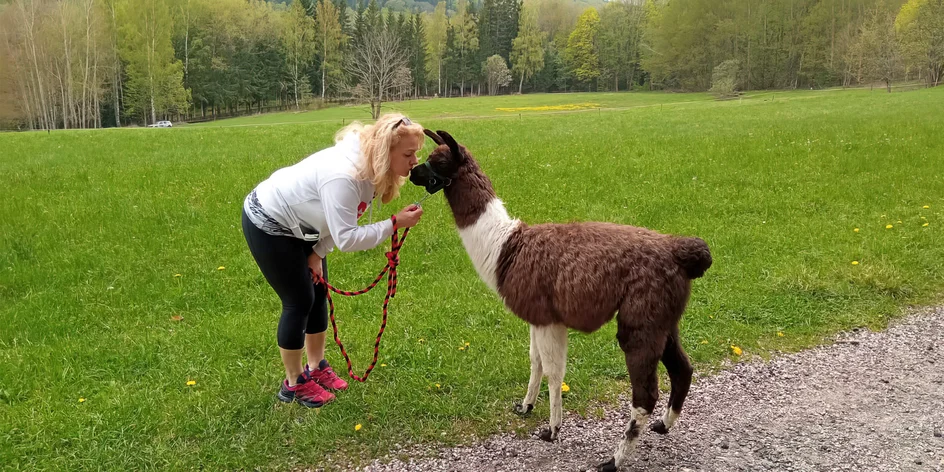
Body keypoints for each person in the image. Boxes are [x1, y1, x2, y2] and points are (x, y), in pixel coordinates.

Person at [241, 113, 425, 408]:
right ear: (384, 151)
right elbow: (347, 237)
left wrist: (316, 254)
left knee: (318, 293)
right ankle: (293, 383)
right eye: (408, 154)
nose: (415, 160)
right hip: (269, 222)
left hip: (306, 227)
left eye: (416, 152)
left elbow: (340, 222)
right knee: (299, 300)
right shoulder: (344, 175)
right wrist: (395, 223)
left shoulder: (369, 169)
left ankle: (316, 367)